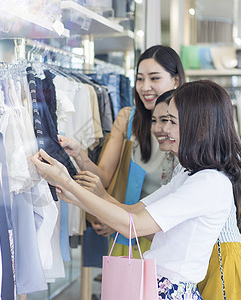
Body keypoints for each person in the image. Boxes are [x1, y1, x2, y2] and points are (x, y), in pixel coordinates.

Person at [32, 80, 241, 298]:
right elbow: (133, 211)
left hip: (170, 291)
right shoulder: (188, 174)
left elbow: (133, 225)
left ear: (198, 126)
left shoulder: (209, 183)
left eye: (172, 121)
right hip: (158, 285)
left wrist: (68, 183)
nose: (164, 129)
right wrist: (77, 197)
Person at [58, 45, 185, 256]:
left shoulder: (191, 124)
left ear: (176, 81)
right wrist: (79, 153)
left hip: (167, 238)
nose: (145, 87)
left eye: (154, 78)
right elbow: (103, 177)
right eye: (140, 79)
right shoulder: (128, 118)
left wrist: (120, 219)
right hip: (128, 237)